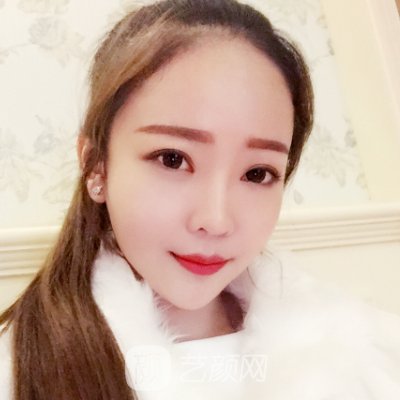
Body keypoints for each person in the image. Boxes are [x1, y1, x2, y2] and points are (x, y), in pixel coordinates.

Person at [1, 0, 400, 399]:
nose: (216, 220)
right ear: (96, 166)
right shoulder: (18, 371)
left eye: (257, 173)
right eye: (172, 159)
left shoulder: (361, 351)